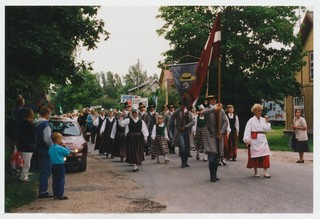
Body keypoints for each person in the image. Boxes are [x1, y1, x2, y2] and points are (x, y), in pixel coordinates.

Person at [243, 103, 271, 178]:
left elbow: (267, 129)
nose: (260, 112)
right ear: (255, 111)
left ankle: (265, 172)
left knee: (265, 155)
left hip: (262, 139)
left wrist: (267, 122)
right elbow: (247, 130)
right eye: (259, 111)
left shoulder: (263, 120)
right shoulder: (251, 120)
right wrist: (247, 140)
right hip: (254, 140)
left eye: (261, 111)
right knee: (255, 156)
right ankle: (256, 172)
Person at [202, 103, 229, 182]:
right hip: (210, 136)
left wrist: (221, 132)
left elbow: (225, 122)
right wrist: (213, 110)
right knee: (212, 156)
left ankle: (215, 174)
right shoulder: (209, 111)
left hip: (219, 136)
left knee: (217, 157)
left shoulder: (222, 111)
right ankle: (212, 175)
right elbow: (202, 113)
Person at [35, 106, 53, 198]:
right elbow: (47, 139)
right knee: (46, 170)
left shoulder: (37, 123)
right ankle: (43, 191)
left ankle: (42, 189)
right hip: (45, 149)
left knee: (43, 170)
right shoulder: (45, 124)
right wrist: (52, 146)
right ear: (46, 114)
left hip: (39, 148)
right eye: (49, 113)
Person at [173, 99, 195, 168]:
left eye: (184, 105)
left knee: (187, 148)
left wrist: (186, 126)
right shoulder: (178, 112)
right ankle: (182, 163)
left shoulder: (189, 113)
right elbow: (173, 114)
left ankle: (186, 162)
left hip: (187, 132)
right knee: (182, 147)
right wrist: (180, 109)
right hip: (180, 132)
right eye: (182, 105)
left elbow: (193, 122)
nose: (183, 106)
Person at [48, 132, 70, 200]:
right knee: (61, 180)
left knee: (55, 180)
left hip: (53, 165)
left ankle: (55, 194)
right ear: (58, 140)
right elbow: (67, 152)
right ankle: (60, 194)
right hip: (60, 165)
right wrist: (65, 146)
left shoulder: (51, 148)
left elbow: (49, 153)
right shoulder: (59, 147)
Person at [16, 107, 36, 182]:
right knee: (26, 162)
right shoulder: (27, 124)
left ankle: (25, 173)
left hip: (26, 145)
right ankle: (24, 176)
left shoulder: (24, 123)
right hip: (27, 145)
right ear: (30, 114)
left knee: (27, 161)